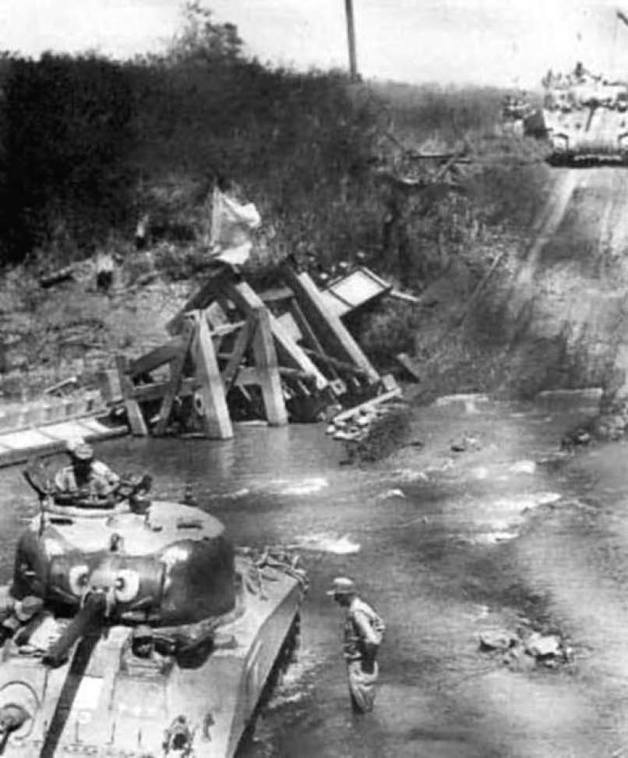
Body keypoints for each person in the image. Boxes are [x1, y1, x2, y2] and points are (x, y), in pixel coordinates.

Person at [327, 576, 385, 714]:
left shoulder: (357, 613)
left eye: (337, 596)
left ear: (345, 595)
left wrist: (366, 660)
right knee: (364, 706)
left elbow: (373, 640)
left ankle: (364, 727)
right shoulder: (362, 607)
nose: (335, 599)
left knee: (361, 709)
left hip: (360, 666)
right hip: (364, 665)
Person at [54, 438, 120, 502]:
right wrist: (75, 496)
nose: (83, 464)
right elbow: (56, 495)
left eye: (86, 461)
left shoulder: (99, 469)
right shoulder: (65, 473)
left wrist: (103, 492)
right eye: (80, 461)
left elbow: (116, 483)